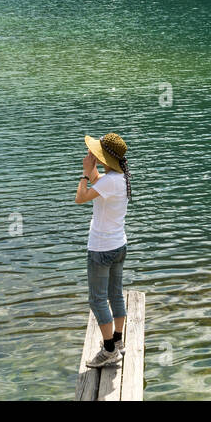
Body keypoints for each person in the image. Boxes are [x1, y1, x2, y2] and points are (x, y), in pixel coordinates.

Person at [75, 133, 131, 368]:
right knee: (115, 294)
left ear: (105, 158)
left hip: (101, 249)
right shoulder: (119, 177)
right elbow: (100, 187)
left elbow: (81, 198)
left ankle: (108, 350)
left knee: (97, 300)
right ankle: (117, 341)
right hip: (118, 245)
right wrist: (94, 172)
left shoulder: (110, 181)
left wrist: (85, 173)